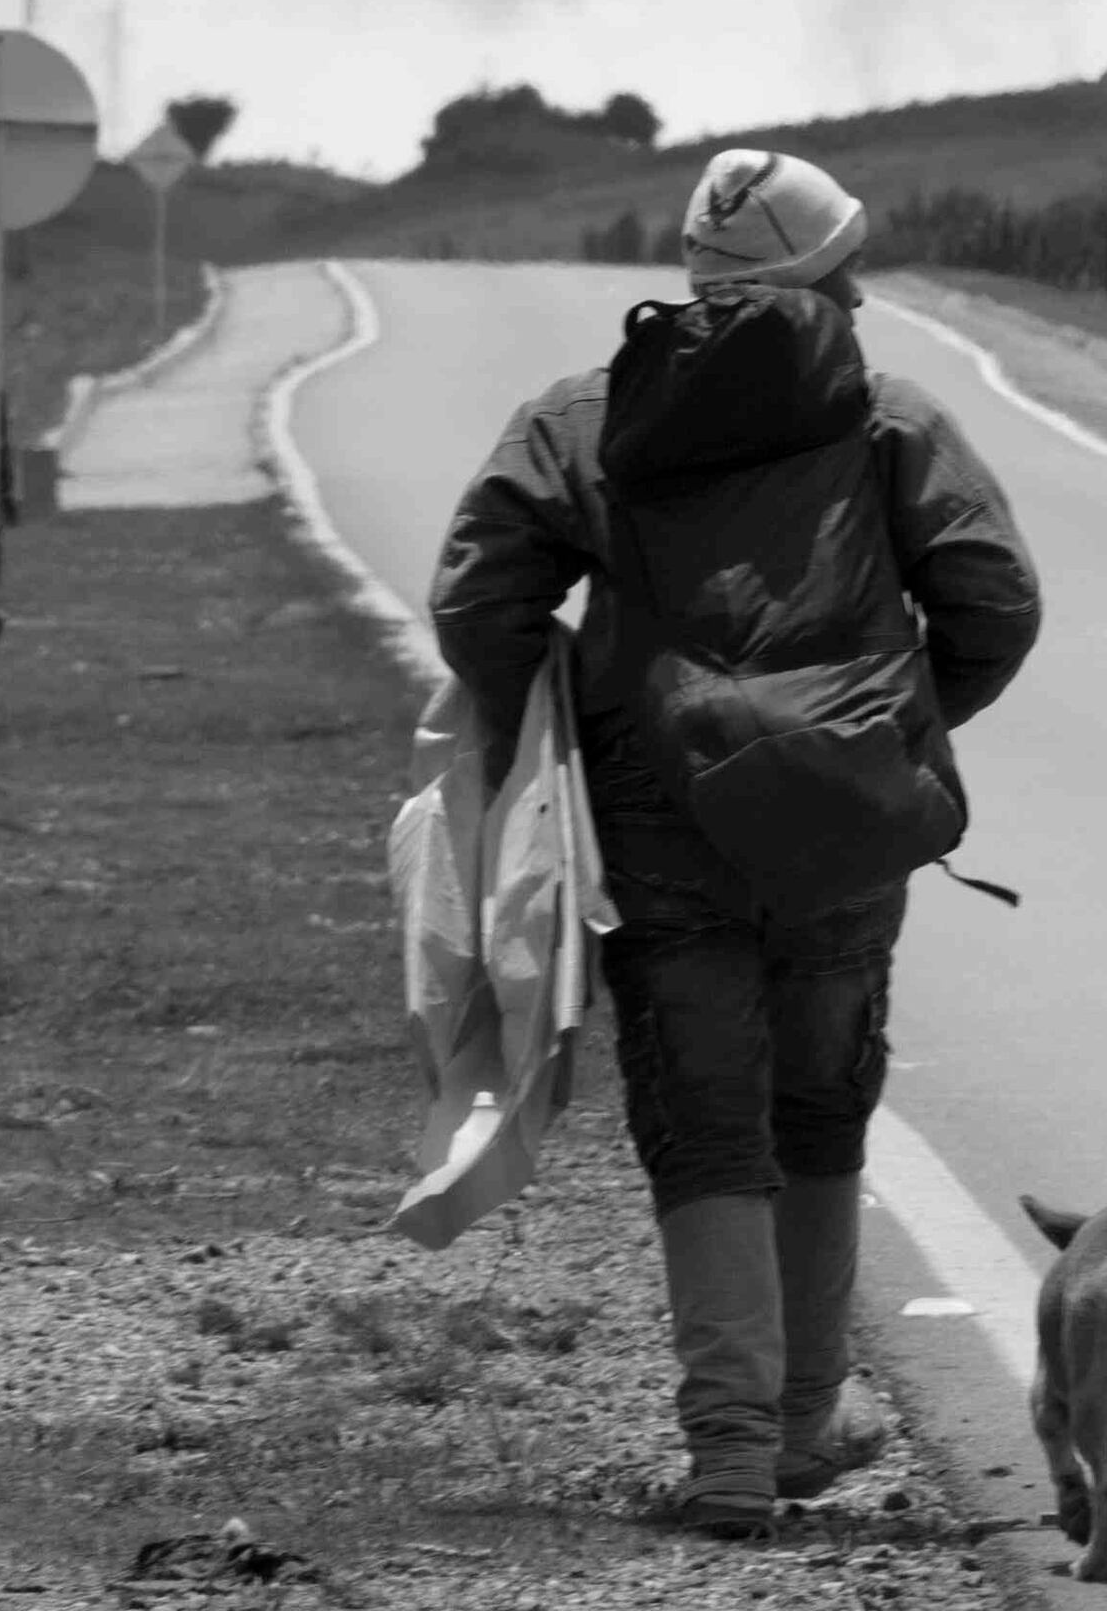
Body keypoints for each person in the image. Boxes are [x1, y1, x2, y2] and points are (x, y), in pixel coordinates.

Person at [431, 147, 1042, 1537]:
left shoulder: (587, 416)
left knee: (702, 1121)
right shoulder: (889, 415)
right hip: (844, 823)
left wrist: (563, 721)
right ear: (817, 280)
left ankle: (725, 1461)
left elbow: (480, 601)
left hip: (660, 813)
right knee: (821, 1105)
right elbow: (995, 601)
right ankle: (807, 1426)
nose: (866, 289)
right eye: (847, 270)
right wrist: (892, 728)